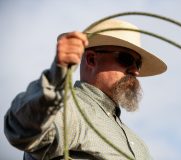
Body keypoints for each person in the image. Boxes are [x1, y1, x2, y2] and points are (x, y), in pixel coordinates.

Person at [4, 19, 167, 160]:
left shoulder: (140, 145)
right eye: (125, 58)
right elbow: (23, 130)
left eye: (138, 64)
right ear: (90, 59)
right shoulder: (68, 108)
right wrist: (56, 74)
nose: (135, 71)